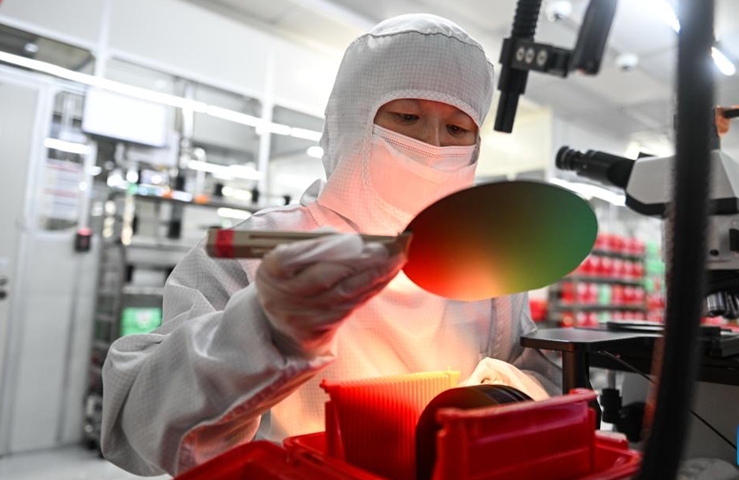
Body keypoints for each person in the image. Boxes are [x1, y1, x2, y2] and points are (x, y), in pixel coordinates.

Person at [101, 13, 562, 476]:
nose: (432, 147)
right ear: (352, 119)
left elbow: (544, 382)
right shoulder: (258, 249)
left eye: (458, 130)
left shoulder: (485, 267)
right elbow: (135, 429)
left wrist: (494, 394)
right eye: (407, 117)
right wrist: (261, 331)